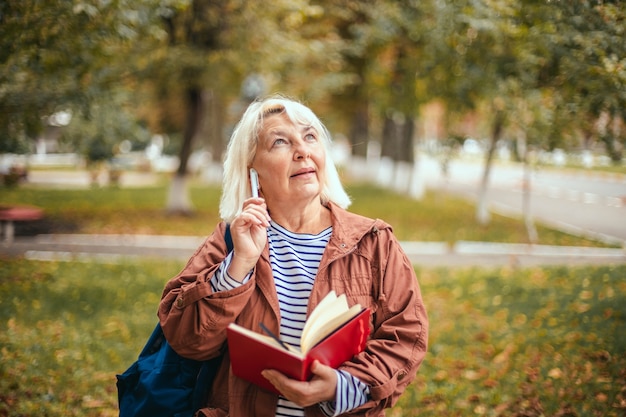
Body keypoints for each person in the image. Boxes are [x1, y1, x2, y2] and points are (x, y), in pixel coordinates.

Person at [158, 95, 428, 417]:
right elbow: (188, 340)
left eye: (310, 136)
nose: (302, 151)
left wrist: (341, 386)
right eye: (280, 142)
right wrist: (238, 265)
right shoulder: (231, 240)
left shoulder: (373, 242)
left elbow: (406, 336)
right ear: (252, 169)